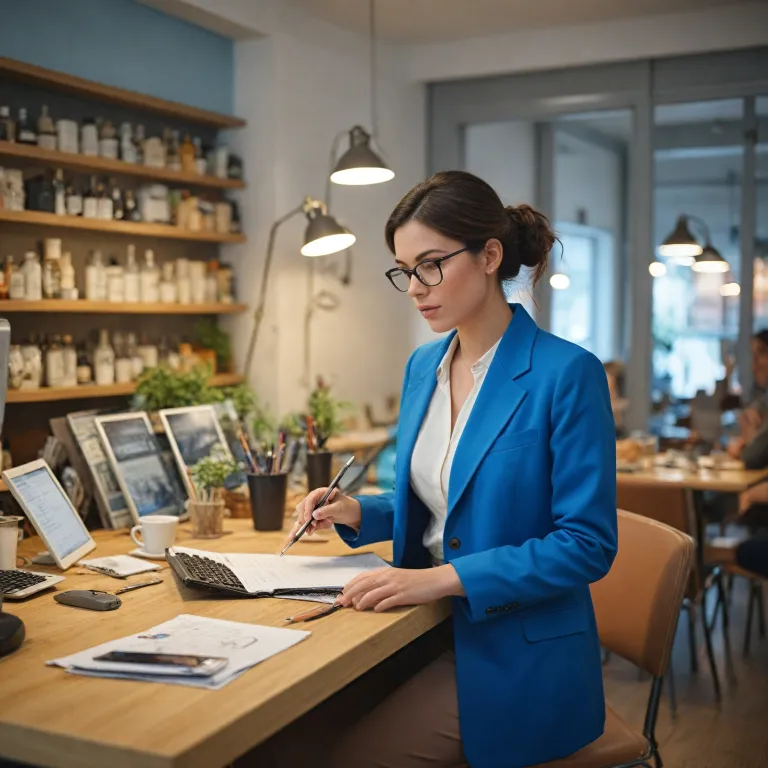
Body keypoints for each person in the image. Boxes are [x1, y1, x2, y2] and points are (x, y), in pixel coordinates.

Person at [288, 170, 618, 768]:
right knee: (284, 734)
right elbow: (444, 500)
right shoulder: (424, 365)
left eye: (431, 265)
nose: (415, 287)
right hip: (422, 625)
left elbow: (586, 545)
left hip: (515, 651)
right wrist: (359, 510)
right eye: (404, 270)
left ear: (490, 255)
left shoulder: (566, 374)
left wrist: (439, 579)